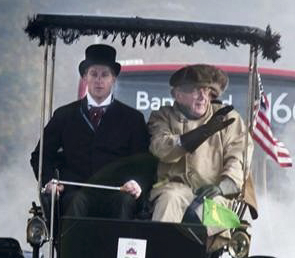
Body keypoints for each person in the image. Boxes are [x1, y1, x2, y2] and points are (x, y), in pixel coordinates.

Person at [30, 44, 150, 219]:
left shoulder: (132, 118)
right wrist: (50, 182)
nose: (99, 80)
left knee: (124, 203)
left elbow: (143, 162)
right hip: (75, 191)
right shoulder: (65, 115)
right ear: (85, 77)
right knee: (75, 202)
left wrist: (136, 182)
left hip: (117, 192)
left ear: (113, 78)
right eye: (93, 74)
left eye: (105, 75)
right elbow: (40, 156)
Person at [147, 64, 252, 226]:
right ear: (178, 95)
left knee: (213, 211)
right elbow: (162, 149)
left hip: (216, 193)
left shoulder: (227, 118)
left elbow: (238, 157)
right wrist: (202, 132)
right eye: (196, 91)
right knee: (169, 198)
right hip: (175, 189)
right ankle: (159, 243)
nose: (203, 97)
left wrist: (223, 187)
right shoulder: (163, 117)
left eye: (207, 91)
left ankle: (204, 244)